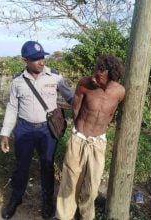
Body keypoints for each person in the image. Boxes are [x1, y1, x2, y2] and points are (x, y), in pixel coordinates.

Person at [0, 41, 74, 219]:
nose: (41, 62)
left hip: (47, 130)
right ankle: (16, 198)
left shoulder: (55, 77)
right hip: (24, 129)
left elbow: (72, 97)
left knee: (47, 165)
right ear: (25, 60)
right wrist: (5, 132)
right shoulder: (18, 81)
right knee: (21, 166)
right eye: (36, 59)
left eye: (42, 57)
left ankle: (47, 200)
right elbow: (12, 107)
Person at [56, 54, 125, 220]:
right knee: (70, 181)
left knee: (93, 185)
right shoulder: (84, 84)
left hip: (98, 143)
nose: (93, 77)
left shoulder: (119, 92)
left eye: (99, 76)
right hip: (78, 139)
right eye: (94, 71)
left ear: (111, 77)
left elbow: (112, 114)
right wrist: (80, 130)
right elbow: (75, 110)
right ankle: (64, 216)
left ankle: (86, 215)